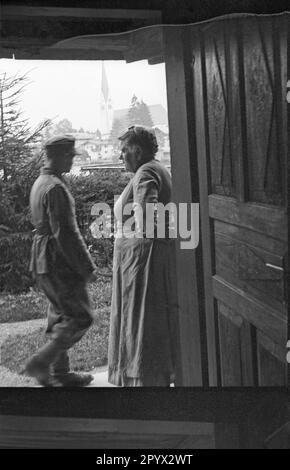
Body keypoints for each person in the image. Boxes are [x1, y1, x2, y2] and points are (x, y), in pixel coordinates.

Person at [108, 125, 178, 387]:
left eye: (124, 150)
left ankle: (144, 380)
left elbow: (147, 221)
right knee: (145, 320)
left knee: (141, 321)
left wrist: (130, 237)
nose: (120, 156)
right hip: (144, 260)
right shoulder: (155, 168)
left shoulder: (147, 171)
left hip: (142, 264)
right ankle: (148, 375)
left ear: (137, 151)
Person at [25, 135, 97, 387]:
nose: (71, 160)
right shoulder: (55, 187)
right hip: (57, 259)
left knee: (59, 313)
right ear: (57, 156)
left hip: (43, 258)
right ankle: (41, 361)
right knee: (80, 316)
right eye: (69, 155)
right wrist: (86, 266)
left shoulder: (41, 182)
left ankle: (60, 373)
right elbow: (66, 233)